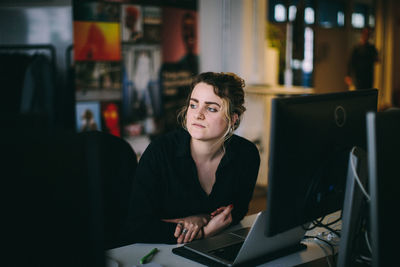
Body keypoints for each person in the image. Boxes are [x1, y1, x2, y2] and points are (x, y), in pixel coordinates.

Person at [122, 72, 260, 244]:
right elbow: (137, 226)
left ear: (232, 119)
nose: (198, 114)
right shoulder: (160, 152)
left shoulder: (246, 154)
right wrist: (202, 233)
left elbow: (237, 211)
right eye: (193, 105)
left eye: (211, 108)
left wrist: (202, 218)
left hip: (217, 246)